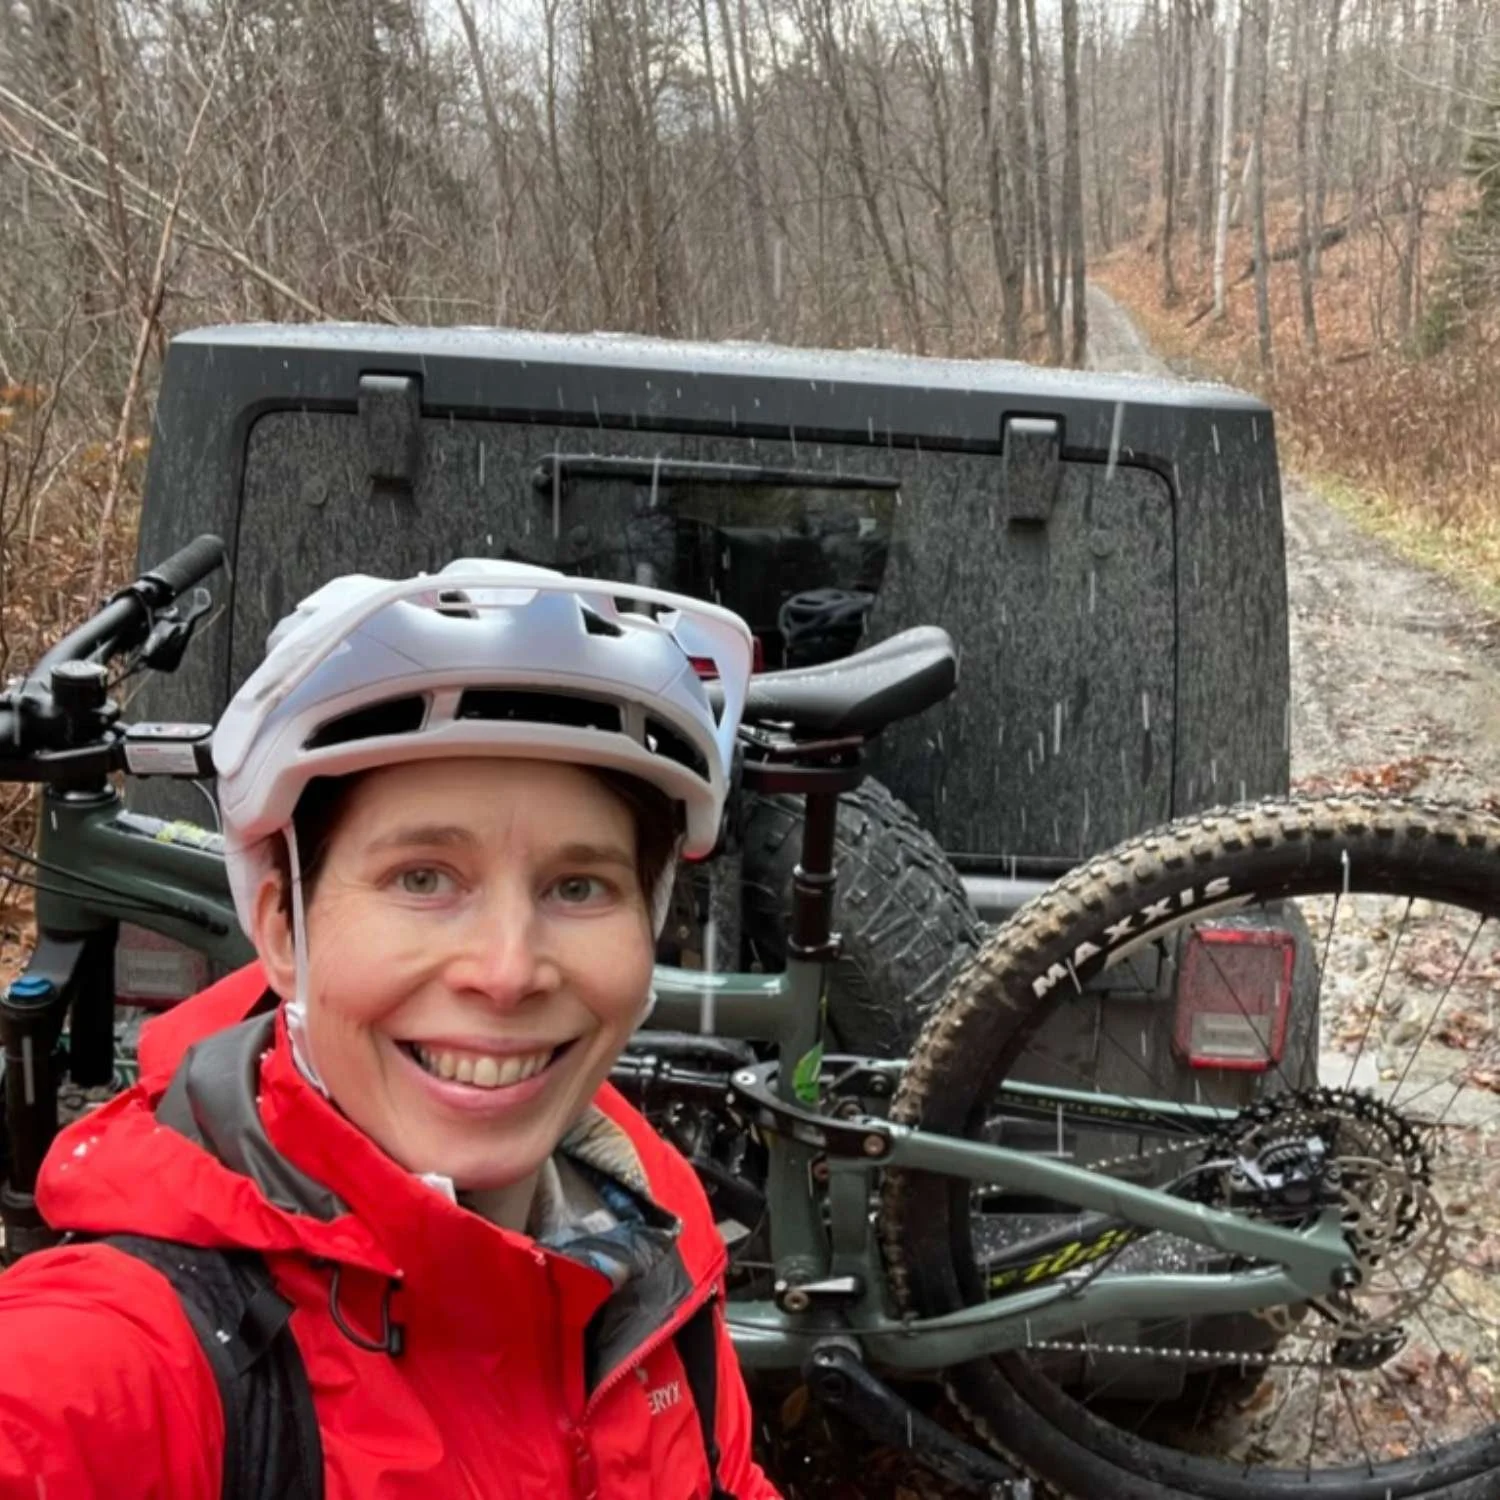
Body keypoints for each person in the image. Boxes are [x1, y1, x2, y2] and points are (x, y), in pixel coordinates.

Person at [0, 560, 782, 1500]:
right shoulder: (128, 1356)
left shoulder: (647, 1219)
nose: (506, 971)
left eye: (580, 887)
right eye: (423, 878)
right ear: (283, 925)